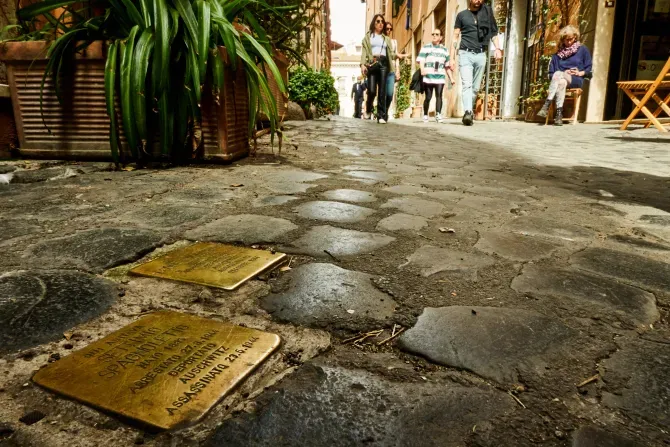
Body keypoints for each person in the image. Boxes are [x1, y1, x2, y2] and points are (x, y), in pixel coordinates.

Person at [450, 0, 503, 126]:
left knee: (475, 88)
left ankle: (469, 111)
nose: (478, 0)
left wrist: (497, 48)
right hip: (465, 53)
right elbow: (455, 36)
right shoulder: (462, 15)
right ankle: (468, 112)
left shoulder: (487, 13)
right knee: (467, 85)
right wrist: (451, 57)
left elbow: (494, 33)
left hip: (481, 54)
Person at [537, 25, 592, 126]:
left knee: (558, 73)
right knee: (561, 81)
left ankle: (547, 104)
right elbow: (550, 75)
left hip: (576, 79)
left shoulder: (583, 50)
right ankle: (559, 115)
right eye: (566, 40)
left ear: (575, 37)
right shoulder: (557, 56)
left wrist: (579, 72)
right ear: (562, 40)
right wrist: (563, 74)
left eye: (571, 39)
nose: (569, 42)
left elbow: (589, 70)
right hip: (560, 80)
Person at [360, 14, 396, 124]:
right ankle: (368, 109)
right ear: (374, 23)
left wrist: (397, 57)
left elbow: (391, 54)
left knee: (382, 90)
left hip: (384, 63)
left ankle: (381, 115)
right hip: (372, 63)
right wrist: (362, 64)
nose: (380, 23)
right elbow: (364, 52)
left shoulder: (387, 39)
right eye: (378, 21)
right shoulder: (368, 37)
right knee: (371, 90)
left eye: (382, 22)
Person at [417, 28, 455, 123]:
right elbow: (421, 60)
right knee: (428, 97)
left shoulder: (444, 50)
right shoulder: (426, 47)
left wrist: (451, 78)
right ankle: (425, 114)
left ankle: (438, 114)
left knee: (439, 96)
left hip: (440, 77)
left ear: (441, 37)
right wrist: (422, 69)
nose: (434, 36)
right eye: (433, 34)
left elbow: (447, 66)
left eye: (437, 34)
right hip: (428, 77)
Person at [383, 21, 409, 118]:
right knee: (382, 92)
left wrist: (398, 70)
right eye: (387, 28)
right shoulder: (381, 40)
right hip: (382, 69)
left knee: (390, 93)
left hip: (391, 69)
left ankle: (385, 110)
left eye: (390, 29)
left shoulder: (394, 42)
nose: (389, 30)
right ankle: (382, 112)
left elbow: (396, 56)